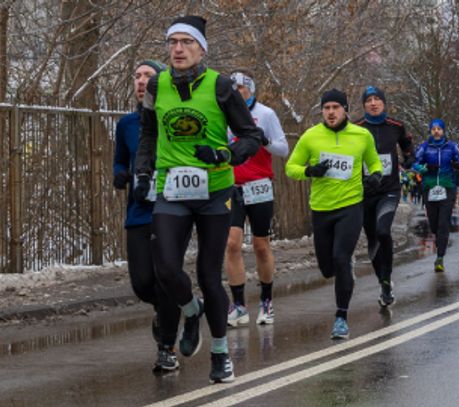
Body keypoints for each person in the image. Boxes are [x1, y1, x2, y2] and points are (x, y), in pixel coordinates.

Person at [134, 16, 262, 383]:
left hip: (214, 193)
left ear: (202, 48)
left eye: (186, 42)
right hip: (171, 190)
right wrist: (143, 173)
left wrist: (225, 155)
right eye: (172, 42)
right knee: (166, 268)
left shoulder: (220, 86)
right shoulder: (156, 85)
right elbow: (147, 134)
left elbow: (251, 137)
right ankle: (192, 312)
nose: (177, 49)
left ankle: (220, 355)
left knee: (208, 273)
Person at [285, 89, 382, 339]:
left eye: (335, 108)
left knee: (341, 258)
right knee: (327, 269)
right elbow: (290, 168)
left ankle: (341, 317)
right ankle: (343, 269)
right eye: (326, 108)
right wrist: (310, 171)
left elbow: (374, 162)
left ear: (345, 109)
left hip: (351, 206)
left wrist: (376, 176)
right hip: (321, 209)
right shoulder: (310, 136)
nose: (330, 112)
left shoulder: (361, 135)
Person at [113, 60, 182, 372]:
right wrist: (120, 175)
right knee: (142, 283)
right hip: (139, 210)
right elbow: (120, 160)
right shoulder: (126, 124)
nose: (141, 81)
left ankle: (166, 347)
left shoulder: (172, 117)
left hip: (171, 208)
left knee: (166, 277)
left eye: (148, 76)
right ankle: (168, 309)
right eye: (137, 76)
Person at [225, 70, 289, 327]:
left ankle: (266, 301)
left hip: (260, 185)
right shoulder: (223, 114)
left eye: (240, 88)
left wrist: (264, 141)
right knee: (231, 244)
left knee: (261, 245)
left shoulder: (266, 114)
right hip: (231, 185)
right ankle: (239, 305)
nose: (236, 93)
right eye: (232, 89)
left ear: (250, 90)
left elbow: (283, 149)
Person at [355, 86, 415, 307]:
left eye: (377, 99)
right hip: (365, 191)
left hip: (389, 189)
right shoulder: (356, 128)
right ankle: (383, 283)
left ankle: (387, 277)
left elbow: (408, 149)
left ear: (383, 103)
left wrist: (408, 160)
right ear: (364, 105)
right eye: (369, 100)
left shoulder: (396, 126)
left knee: (383, 230)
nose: (373, 103)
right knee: (372, 238)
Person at [413, 118, 459, 272]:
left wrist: (457, 165)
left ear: (443, 131)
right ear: (430, 131)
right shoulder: (425, 147)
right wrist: (423, 168)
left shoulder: (451, 146)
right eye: (433, 129)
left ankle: (440, 257)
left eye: (439, 129)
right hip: (430, 187)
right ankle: (439, 238)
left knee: (443, 222)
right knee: (434, 223)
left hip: (447, 186)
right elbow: (415, 163)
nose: (436, 131)